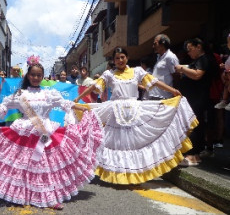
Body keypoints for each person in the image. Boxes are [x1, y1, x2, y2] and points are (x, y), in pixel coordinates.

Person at [0, 55, 103, 209]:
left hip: (46, 133)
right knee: (24, 167)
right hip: (25, 134)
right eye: (33, 75)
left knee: (46, 168)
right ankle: (22, 195)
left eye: (39, 75)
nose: (36, 77)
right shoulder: (20, 94)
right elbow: (3, 107)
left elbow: (64, 103)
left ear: (43, 76)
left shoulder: (49, 94)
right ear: (27, 76)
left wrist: (81, 107)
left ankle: (50, 198)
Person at [74, 47, 197, 184]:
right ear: (113, 61)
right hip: (116, 113)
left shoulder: (137, 71)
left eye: (122, 57)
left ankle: (133, 173)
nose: (120, 60)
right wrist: (79, 98)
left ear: (127, 57)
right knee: (118, 144)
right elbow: (93, 87)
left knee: (133, 144)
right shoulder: (109, 74)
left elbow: (154, 82)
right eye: (117, 58)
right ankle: (119, 173)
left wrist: (173, 90)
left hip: (135, 111)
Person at [175, 38, 218, 164]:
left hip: (198, 98)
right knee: (194, 125)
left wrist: (182, 69)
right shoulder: (199, 60)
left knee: (194, 125)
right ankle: (194, 153)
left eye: (190, 49)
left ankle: (193, 155)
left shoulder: (204, 59)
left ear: (198, 46)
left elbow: (197, 74)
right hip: (194, 98)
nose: (188, 53)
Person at [146, 34, 179, 100]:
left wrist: (174, 93)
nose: (153, 46)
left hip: (164, 97)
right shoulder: (159, 58)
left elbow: (176, 76)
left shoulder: (170, 57)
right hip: (155, 95)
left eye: (155, 44)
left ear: (163, 43)